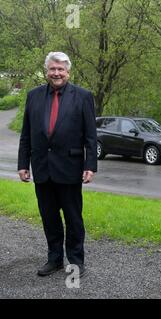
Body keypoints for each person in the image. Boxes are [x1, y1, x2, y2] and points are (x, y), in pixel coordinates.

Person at [17, 52, 97, 277]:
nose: (57, 73)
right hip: (42, 168)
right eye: (53, 69)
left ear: (68, 72)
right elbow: (26, 134)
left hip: (70, 169)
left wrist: (90, 165)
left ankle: (75, 261)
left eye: (61, 69)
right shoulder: (33, 96)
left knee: (73, 218)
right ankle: (54, 259)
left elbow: (91, 136)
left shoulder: (83, 96)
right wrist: (23, 164)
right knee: (49, 217)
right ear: (47, 71)